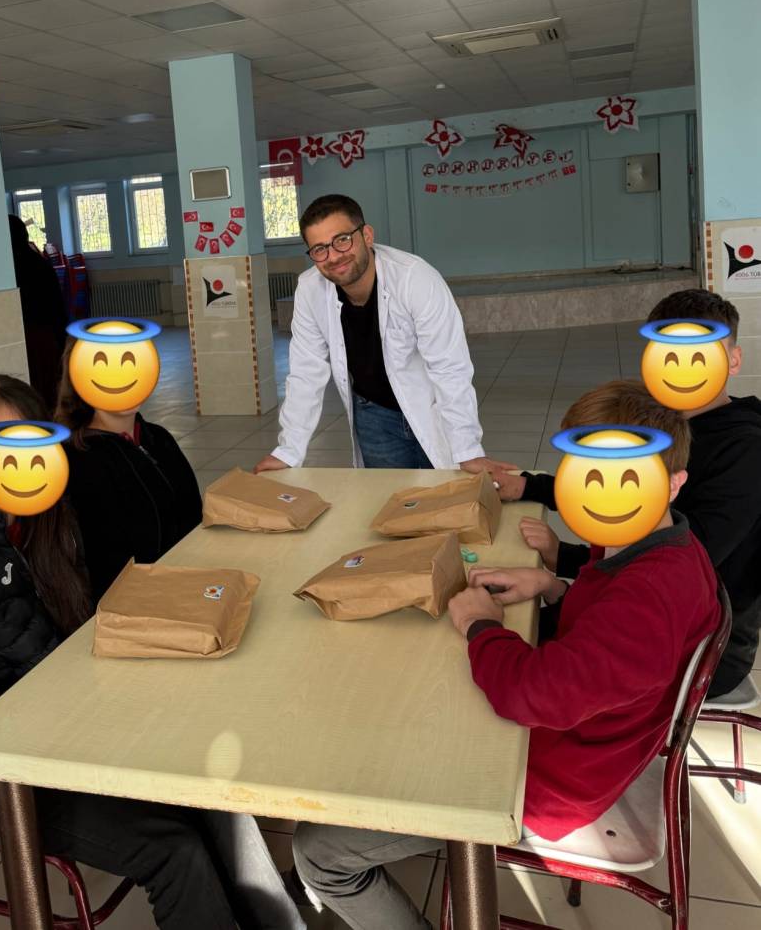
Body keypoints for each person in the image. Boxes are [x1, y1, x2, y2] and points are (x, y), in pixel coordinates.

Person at [0, 374, 304, 930]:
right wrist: (23, 723)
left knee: (203, 780)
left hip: (65, 733)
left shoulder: (43, 521)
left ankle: (271, 919)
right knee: (173, 848)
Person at [291, 380, 720, 930]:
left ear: (675, 483)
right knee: (393, 707)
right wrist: (551, 587)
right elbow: (611, 642)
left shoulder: (649, 594)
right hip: (583, 747)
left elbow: (534, 695)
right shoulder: (656, 546)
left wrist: (481, 627)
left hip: (546, 783)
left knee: (319, 850)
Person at [502, 289, 761, 701]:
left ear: (732, 360)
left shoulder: (746, 452)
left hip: (699, 651)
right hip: (640, 615)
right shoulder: (664, 423)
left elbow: (671, 562)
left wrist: (562, 560)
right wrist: (529, 486)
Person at [254, 194, 506, 476]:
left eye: (342, 240)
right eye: (319, 249)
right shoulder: (310, 289)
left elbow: (449, 368)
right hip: (373, 415)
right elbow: (305, 373)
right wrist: (288, 451)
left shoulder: (415, 279)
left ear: (367, 235)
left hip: (429, 407)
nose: (333, 256)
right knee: (389, 497)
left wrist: (468, 450)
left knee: (445, 493)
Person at [55, 339, 202, 604]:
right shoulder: (75, 460)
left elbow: (193, 515)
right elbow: (99, 559)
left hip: (187, 587)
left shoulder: (159, 438)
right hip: (130, 605)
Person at [8, 214, 68, 412]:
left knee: (32, 388)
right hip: (46, 335)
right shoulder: (38, 262)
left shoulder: (10, 267)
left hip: (28, 335)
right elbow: (57, 305)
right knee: (47, 387)